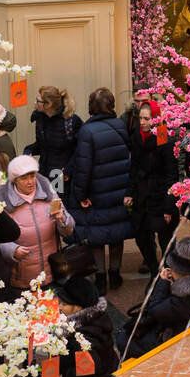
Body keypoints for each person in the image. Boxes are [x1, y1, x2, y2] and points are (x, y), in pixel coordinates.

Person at [120, 235, 190, 359]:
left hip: (178, 340)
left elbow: (154, 310)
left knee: (123, 338)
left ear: (178, 269)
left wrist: (162, 283)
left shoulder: (184, 297)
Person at [68, 87, 132, 296]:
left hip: (96, 192)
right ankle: (115, 273)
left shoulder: (87, 131)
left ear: (91, 107)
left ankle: (101, 277)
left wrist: (81, 195)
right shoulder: (121, 126)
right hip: (119, 187)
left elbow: (83, 167)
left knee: (96, 234)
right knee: (116, 232)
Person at [0, 155, 75, 294]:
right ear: (15, 180)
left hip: (53, 271)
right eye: (24, 178)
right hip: (23, 277)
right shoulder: (4, 204)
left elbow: (68, 231)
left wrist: (62, 219)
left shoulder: (49, 194)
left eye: (32, 176)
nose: (30, 182)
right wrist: (13, 250)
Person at [122, 93, 179, 279]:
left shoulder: (165, 140)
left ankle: (169, 276)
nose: (143, 122)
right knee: (141, 235)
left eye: (147, 118)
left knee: (166, 241)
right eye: (141, 118)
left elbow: (172, 176)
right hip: (142, 196)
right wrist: (130, 191)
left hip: (160, 197)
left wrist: (169, 207)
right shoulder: (137, 137)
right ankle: (155, 272)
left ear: (156, 119)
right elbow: (134, 167)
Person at [44, 251, 118, 377]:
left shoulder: (81, 336)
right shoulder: (95, 316)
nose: (59, 307)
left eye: (64, 304)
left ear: (78, 308)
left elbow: (90, 369)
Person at [25, 86, 82, 195]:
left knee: (57, 205)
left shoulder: (71, 121)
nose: (34, 103)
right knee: (44, 204)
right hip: (43, 172)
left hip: (59, 174)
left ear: (48, 104)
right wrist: (28, 150)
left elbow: (80, 149)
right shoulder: (41, 119)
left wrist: (68, 169)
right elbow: (42, 145)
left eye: (38, 101)